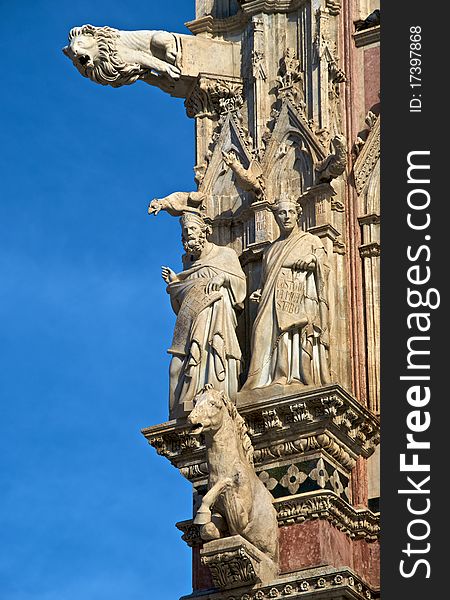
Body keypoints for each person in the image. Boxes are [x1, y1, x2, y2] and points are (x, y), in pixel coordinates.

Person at [162, 211, 246, 418]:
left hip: (217, 316)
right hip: (193, 321)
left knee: (213, 351)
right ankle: (185, 403)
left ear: (204, 232)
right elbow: (181, 307)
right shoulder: (188, 266)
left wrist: (224, 278)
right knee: (178, 365)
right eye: (185, 231)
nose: (189, 234)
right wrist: (175, 285)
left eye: (193, 229)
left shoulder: (226, 255)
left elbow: (241, 286)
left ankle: (217, 396)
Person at [243, 199, 331, 390]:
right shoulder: (270, 250)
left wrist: (312, 260)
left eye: (291, 212)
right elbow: (267, 280)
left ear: (298, 214)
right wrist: (260, 292)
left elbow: (324, 265)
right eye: (282, 213)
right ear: (275, 217)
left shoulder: (310, 240)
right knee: (261, 333)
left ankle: (291, 376)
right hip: (272, 301)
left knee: (290, 335)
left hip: (298, 297)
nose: (287, 216)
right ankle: (267, 377)